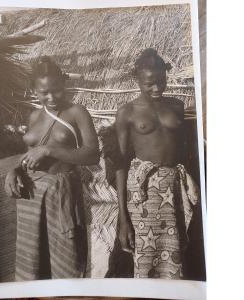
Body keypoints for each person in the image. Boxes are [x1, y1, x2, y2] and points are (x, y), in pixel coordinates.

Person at [0, 56, 99, 281]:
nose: (51, 97)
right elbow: (29, 155)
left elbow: (92, 154)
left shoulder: (77, 112)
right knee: (32, 262)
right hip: (30, 196)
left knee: (66, 262)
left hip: (60, 196)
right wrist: (15, 170)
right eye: (43, 92)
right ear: (34, 90)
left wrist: (50, 150)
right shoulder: (34, 116)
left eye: (57, 90)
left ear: (64, 84)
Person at [114, 48, 199, 279]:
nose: (157, 88)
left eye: (161, 82)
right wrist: (123, 218)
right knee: (145, 259)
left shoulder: (176, 106)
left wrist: (188, 181)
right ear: (137, 79)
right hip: (144, 193)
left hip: (173, 189)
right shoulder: (127, 112)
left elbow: (186, 150)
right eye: (149, 83)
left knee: (175, 254)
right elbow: (120, 164)